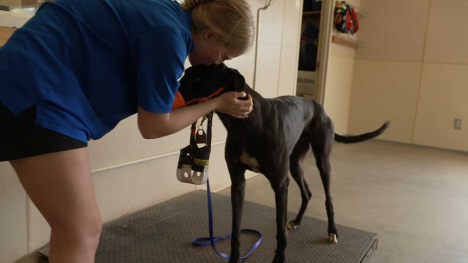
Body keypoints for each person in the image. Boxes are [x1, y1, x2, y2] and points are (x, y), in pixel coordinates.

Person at [0, 0, 254, 262]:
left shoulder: (162, 11)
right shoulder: (169, 35)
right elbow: (153, 126)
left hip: (31, 81)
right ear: (209, 34)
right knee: (82, 231)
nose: (218, 63)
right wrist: (216, 103)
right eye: (223, 56)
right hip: (37, 93)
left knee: (72, 230)